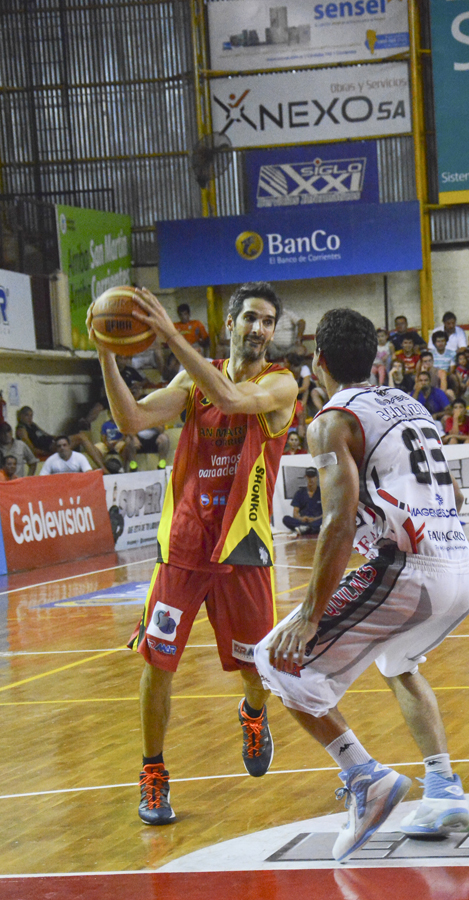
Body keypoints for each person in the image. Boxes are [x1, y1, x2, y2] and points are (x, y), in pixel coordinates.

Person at [255, 308, 469, 862]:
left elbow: (337, 520)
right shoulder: (410, 405)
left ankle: (365, 777)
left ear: (318, 361)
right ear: (374, 357)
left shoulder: (332, 420)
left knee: (275, 659)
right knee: (397, 662)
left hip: (411, 569)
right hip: (462, 569)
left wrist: (311, 615)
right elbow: (454, 496)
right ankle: (443, 789)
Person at [87, 281, 298, 826]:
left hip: (243, 549)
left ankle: (253, 714)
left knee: (257, 672)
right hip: (183, 546)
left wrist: (171, 337)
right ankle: (153, 772)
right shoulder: (192, 381)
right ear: (230, 323)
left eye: (267, 321)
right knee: (157, 664)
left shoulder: (281, 383)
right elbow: (132, 419)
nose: (258, 328)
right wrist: (106, 355)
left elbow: (231, 399)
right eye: (250, 317)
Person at [16, 405, 108, 472]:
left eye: (31, 415)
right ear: (21, 416)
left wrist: (60, 437)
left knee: (82, 436)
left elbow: (47, 434)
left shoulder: (32, 425)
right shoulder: (22, 428)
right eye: (27, 415)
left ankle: (103, 465)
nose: (30, 418)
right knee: (81, 437)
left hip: (54, 442)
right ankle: (103, 468)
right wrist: (46, 453)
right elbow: (30, 447)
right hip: (50, 447)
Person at [282, 467, 322, 535]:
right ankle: (308, 528)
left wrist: (314, 519)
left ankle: (307, 528)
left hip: (316, 520)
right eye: (309, 477)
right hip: (303, 522)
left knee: (325, 520)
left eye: (313, 477)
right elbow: (295, 513)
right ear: (305, 477)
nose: (311, 479)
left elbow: (327, 513)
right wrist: (301, 518)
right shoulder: (299, 493)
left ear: (317, 477)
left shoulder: (323, 493)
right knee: (286, 519)